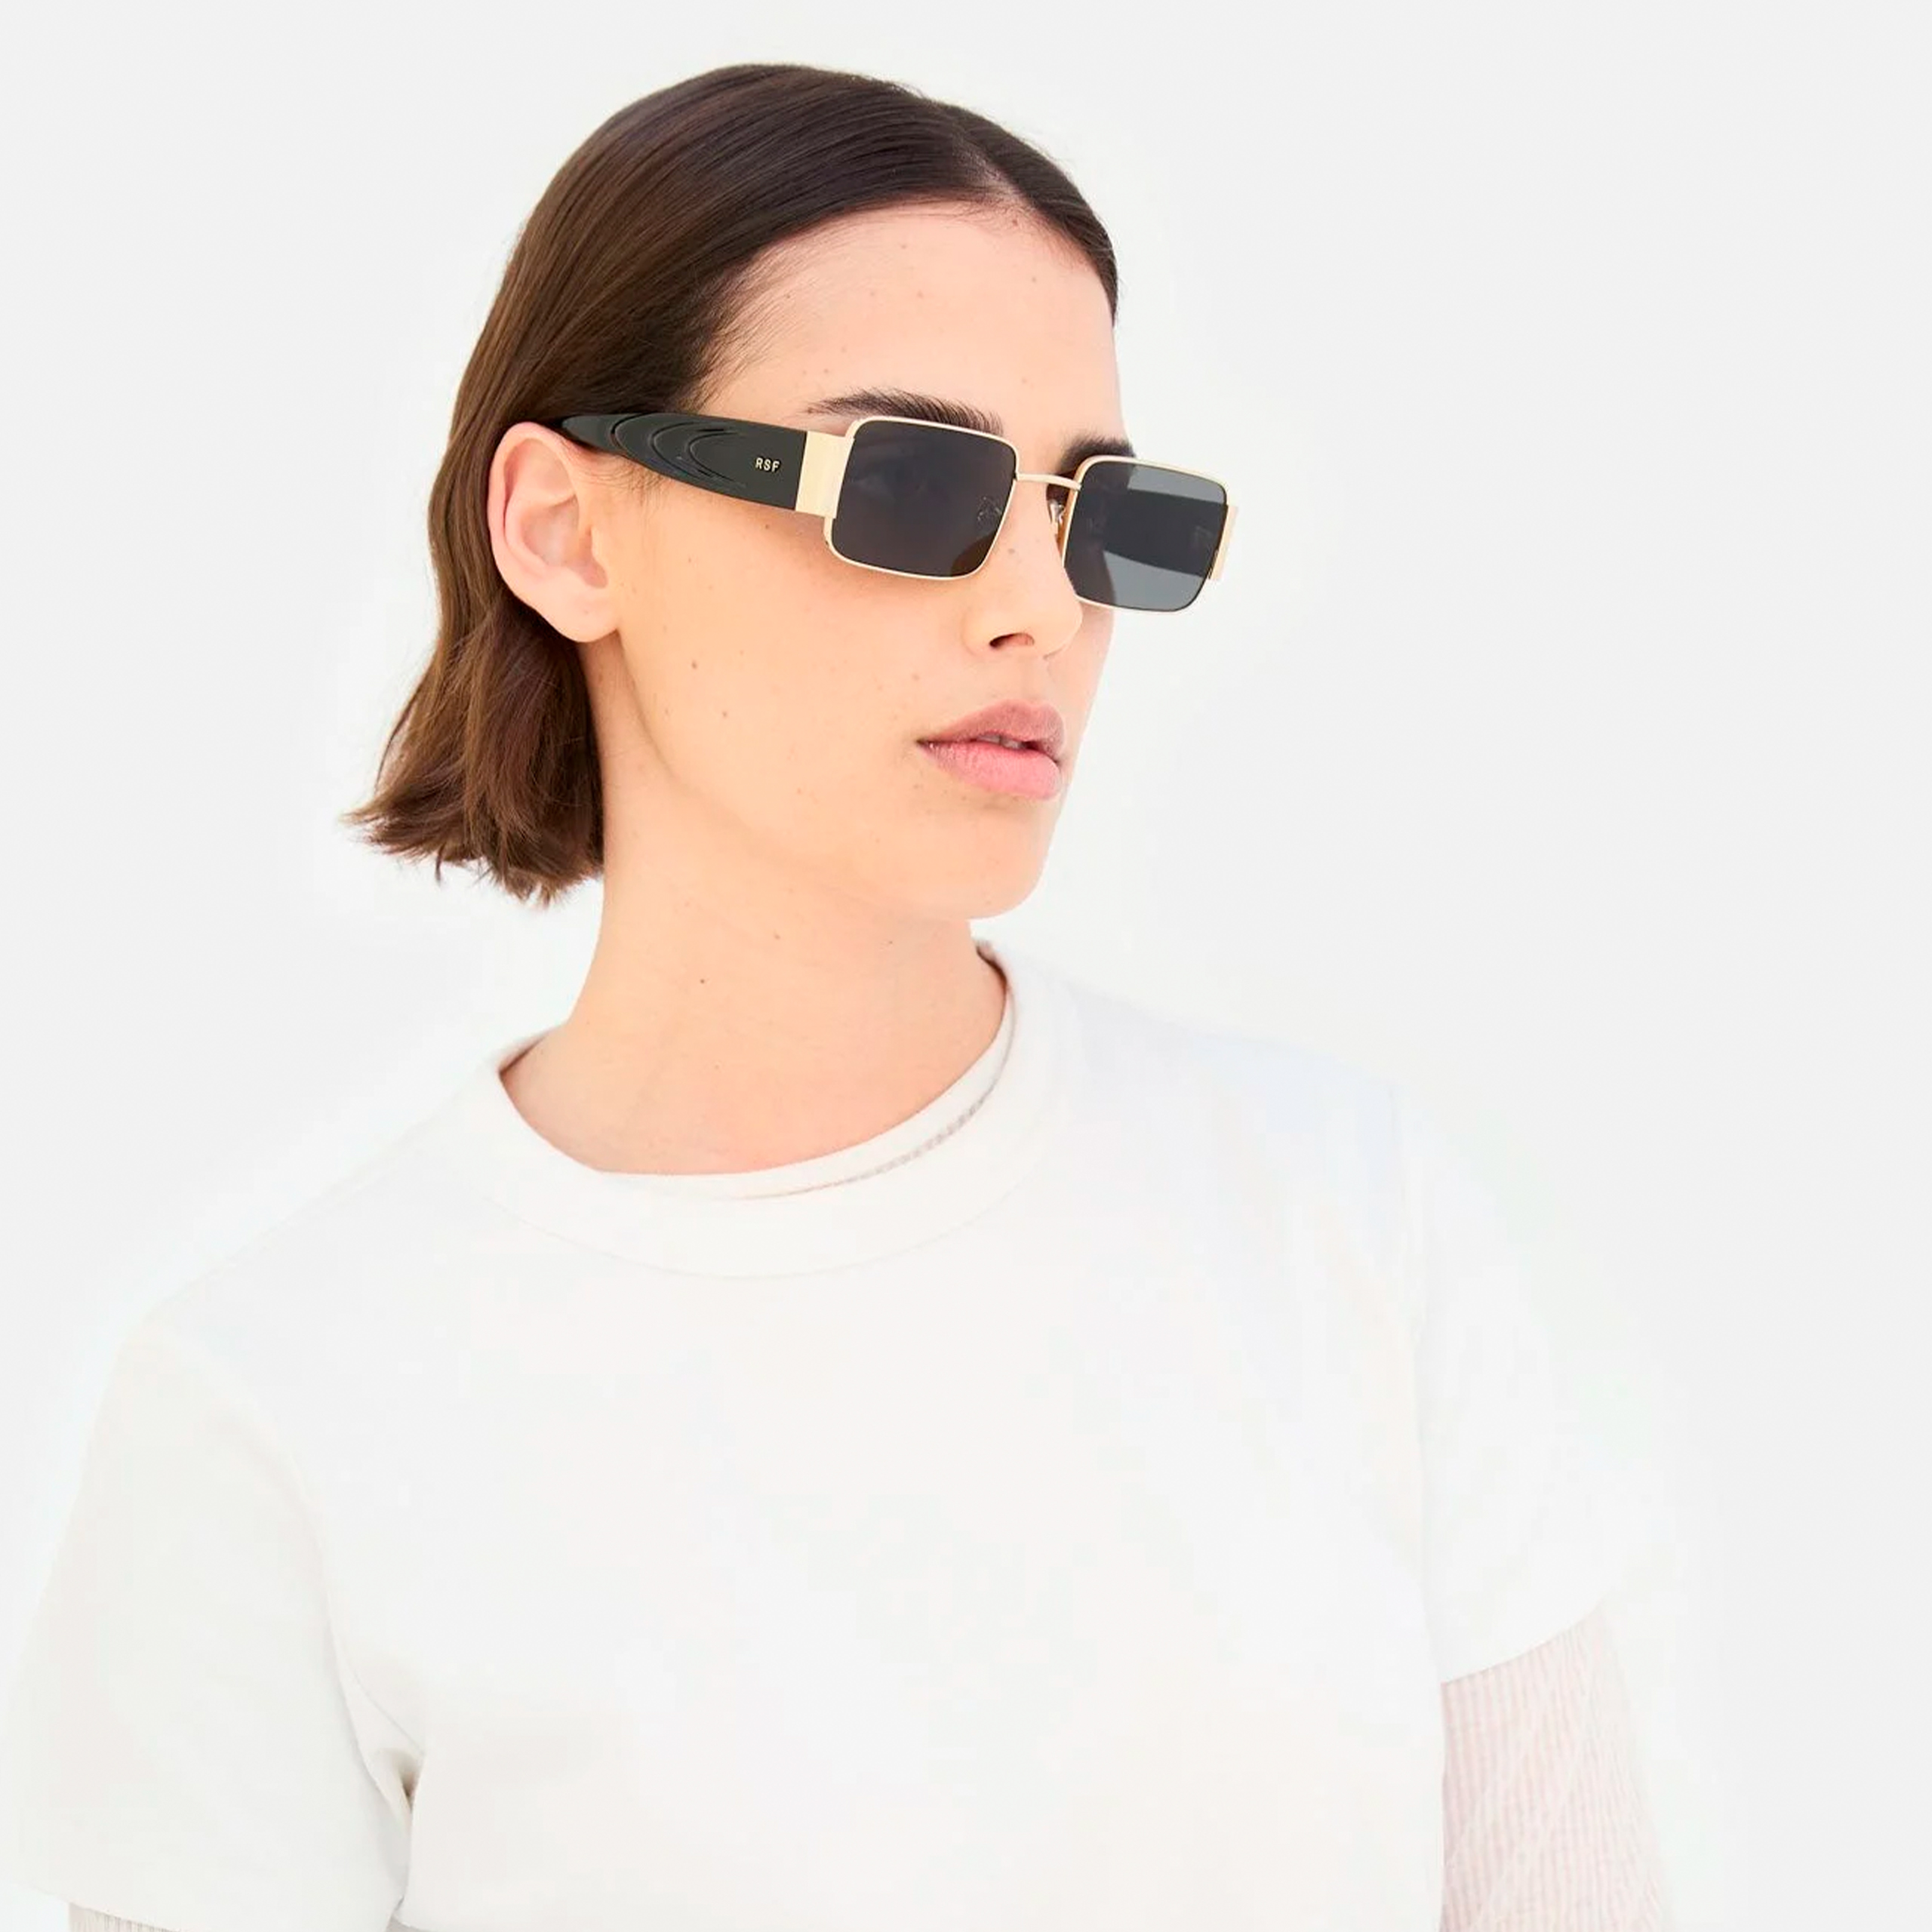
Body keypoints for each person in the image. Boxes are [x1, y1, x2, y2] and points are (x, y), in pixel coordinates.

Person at [0, 60, 1672, 1932]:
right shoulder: (271, 1414)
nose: (1040, 606)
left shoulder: (1350, 1226)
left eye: (1099, 515)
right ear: (565, 528)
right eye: (909, 483)